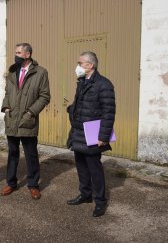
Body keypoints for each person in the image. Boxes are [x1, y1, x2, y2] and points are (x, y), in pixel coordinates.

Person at [66, 51, 116, 217]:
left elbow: (109, 113)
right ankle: (85, 194)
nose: (78, 66)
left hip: (93, 132)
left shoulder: (104, 84)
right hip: (79, 131)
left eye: (80, 63)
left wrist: (103, 136)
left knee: (94, 168)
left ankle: (100, 201)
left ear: (90, 65)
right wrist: (71, 109)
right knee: (81, 166)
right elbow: (80, 104)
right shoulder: (81, 81)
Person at [0, 43, 50, 200]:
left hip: (28, 120)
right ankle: (11, 183)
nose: (16, 55)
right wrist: (6, 108)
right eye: (15, 52)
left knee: (31, 154)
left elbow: (44, 96)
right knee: (12, 153)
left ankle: (33, 185)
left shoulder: (40, 73)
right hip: (12, 119)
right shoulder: (12, 72)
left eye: (19, 52)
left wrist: (30, 112)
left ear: (28, 54)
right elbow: (7, 93)